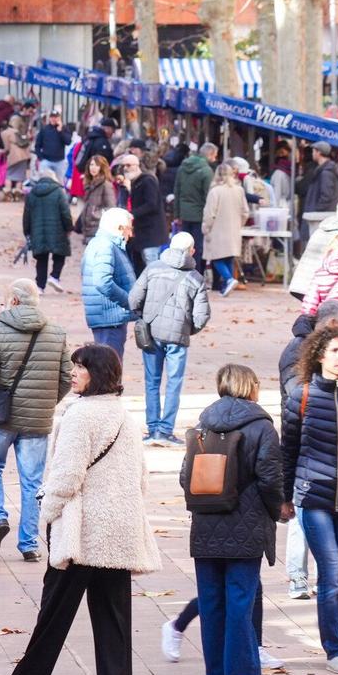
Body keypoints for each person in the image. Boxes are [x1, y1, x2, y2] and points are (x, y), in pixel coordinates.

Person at [0, 345, 161, 675]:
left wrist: (46, 515)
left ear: (96, 374)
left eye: (80, 368)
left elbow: (66, 476)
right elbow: (141, 476)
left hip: (82, 530)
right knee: (114, 614)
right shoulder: (124, 416)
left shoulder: (80, 416)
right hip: (117, 528)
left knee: (55, 608)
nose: (73, 373)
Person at [168, 364, 287, 675]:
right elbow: (271, 478)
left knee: (211, 598)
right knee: (240, 598)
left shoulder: (203, 424)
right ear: (251, 386)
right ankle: (241, 672)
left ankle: (215, 670)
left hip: (205, 524)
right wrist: (273, 510)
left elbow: (184, 476)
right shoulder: (262, 427)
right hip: (246, 525)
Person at [282, 322, 338, 675]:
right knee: (330, 575)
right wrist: (285, 496)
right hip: (313, 498)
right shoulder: (301, 397)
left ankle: (330, 623)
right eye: (334, 351)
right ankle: (335, 648)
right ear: (320, 355)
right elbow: (287, 449)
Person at [0, 279, 74, 562]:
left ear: (14, 301)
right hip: (38, 420)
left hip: (2, 416)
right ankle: (29, 543)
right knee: (32, 481)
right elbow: (66, 378)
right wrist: (45, 402)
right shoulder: (56, 333)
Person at [128, 232, 212, 447]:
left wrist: (144, 317)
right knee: (174, 384)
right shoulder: (196, 278)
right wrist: (186, 329)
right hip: (178, 337)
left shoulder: (153, 268)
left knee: (152, 382)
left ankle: (153, 429)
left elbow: (134, 298)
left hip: (151, 334)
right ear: (191, 250)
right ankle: (166, 431)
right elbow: (202, 316)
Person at [81, 207, 137, 356]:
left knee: (107, 368)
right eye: (128, 229)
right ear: (119, 228)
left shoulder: (101, 243)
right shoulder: (106, 245)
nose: (130, 234)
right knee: (109, 370)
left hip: (108, 316)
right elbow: (102, 282)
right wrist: (128, 301)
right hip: (109, 317)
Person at [22, 166, 75, 292]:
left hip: (37, 232)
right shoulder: (58, 192)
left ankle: (40, 286)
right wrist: (69, 227)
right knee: (60, 254)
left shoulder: (31, 194)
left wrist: (27, 232)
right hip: (58, 231)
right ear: (54, 178)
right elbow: (65, 212)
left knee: (41, 258)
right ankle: (54, 276)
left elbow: (26, 215)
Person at [200, 162, 247, 296]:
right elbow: (245, 212)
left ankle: (229, 279)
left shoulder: (215, 191)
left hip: (217, 229)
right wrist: (240, 224)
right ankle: (227, 285)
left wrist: (206, 228)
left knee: (216, 258)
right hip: (234, 229)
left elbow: (209, 214)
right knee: (229, 258)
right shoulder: (239, 189)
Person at [122, 154, 169, 274]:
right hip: (139, 233)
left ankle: (156, 290)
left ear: (137, 166)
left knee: (152, 264)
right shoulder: (133, 183)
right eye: (124, 166)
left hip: (151, 231)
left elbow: (151, 204)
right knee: (140, 265)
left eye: (128, 165)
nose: (125, 168)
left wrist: (132, 214)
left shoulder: (148, 181)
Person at [174, 140, 216, 251]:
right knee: (197, 247)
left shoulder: (182, 167)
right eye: (215, 156)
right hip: (199, 214)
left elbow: (177, 191)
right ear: (210, 155)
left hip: (184, 213)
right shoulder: (207, 171)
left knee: (185, 246)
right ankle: (196, 268)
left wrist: (177, 214)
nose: (215, 159)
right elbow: (208, 196)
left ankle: (183, 266)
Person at [78, 154, 116, 242]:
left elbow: (111, 207)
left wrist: (95, 214)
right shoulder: (89, 184)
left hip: (99, 228)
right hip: (88, 228)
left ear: (102, 167)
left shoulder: (105, 184)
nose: (93, 168)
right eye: (91, 165)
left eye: (97, 165)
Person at [1, 111, 34, 196]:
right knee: (20, 176)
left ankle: (8, 190)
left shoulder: (5, 133)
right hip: (23, 156)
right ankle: (17, 191)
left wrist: (3, 151)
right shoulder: (23, 133)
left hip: (13, 156)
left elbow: (7, 148)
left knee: (9, 175)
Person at [35, 109, 70, 182]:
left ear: (59, 118)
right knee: (44, 182)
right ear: (49, 118)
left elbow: (68, 142)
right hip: (46, 160)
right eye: (52, 117)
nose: (54, 119)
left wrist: (60, 131)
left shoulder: (64, 128)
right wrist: (40, 157)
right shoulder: (44, 129)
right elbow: (37, 145)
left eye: (56, 117)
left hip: (60, 161)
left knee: (60, 183)